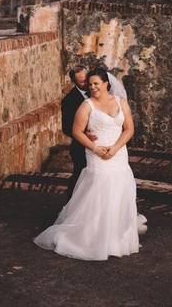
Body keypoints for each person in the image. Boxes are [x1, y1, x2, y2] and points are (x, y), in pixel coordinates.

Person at [35, 67, 145, 260]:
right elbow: (76, 131)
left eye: (95, 83)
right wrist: (96, 149)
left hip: (118, 154)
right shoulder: (86, 105)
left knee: (120, 188)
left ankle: (116, 236)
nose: (91, 87)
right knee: (99, 190)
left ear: (106, 83)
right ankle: (93, 235)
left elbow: (129, 129)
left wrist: (116, 147)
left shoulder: (121, 102)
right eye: (89, 84)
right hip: (97, 155)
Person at [60, 66, 92, 200]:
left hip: (100, 142)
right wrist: (84, 135)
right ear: (74, 82)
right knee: (80, 175)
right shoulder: (69, 101)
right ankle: (71, 205)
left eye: (87, 80)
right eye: (82, 82)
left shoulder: (96, 91)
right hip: (80, 147)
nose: (86, 84)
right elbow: (66, 127)